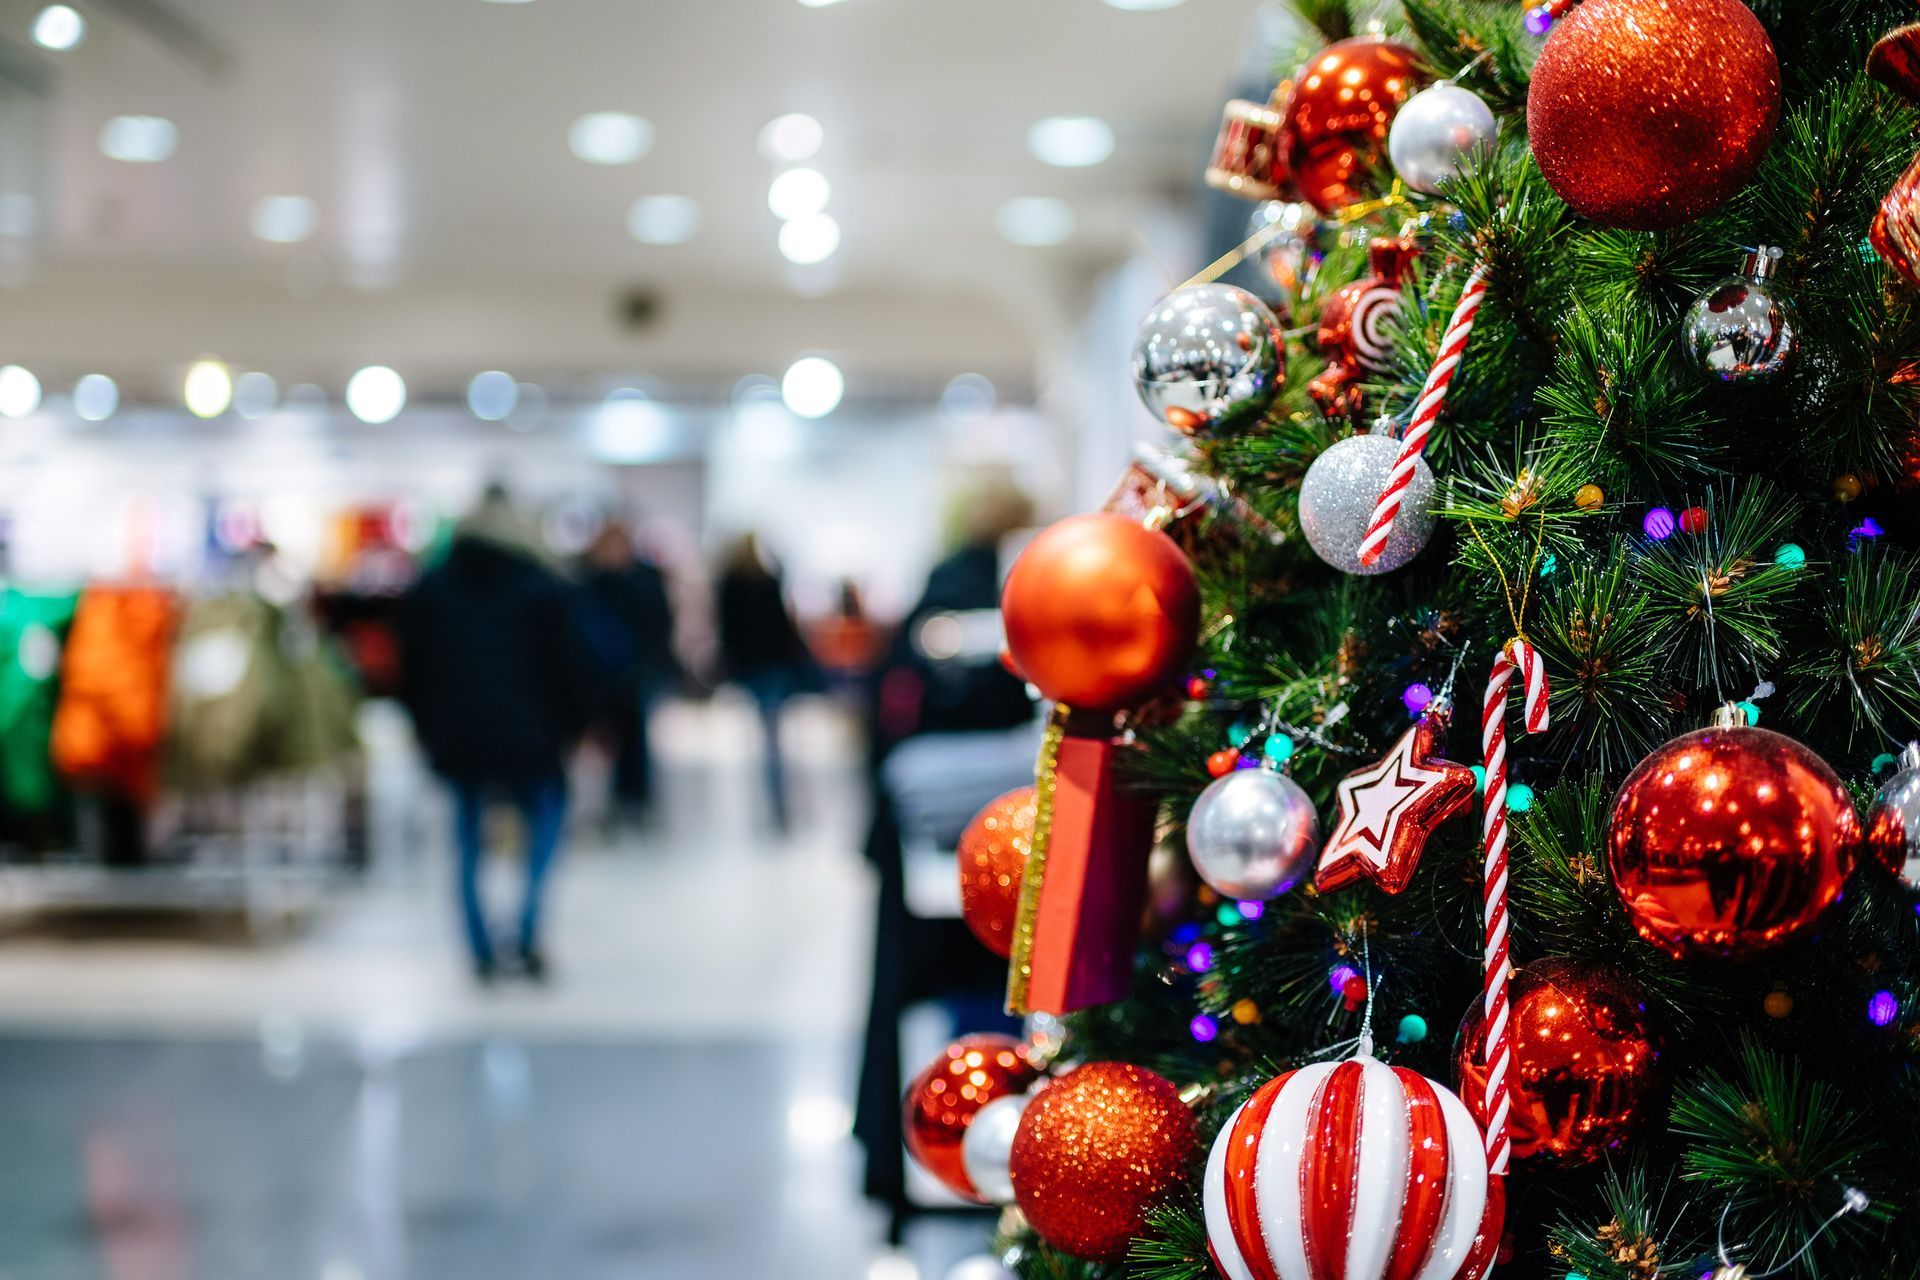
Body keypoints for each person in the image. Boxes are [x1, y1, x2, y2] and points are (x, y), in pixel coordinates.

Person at [400, 484, 592, 982]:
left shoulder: (435, 586)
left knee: (466, 841)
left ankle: (480, 948)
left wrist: (422, 726)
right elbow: (566, 667)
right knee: (543, 832)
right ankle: (527, 934)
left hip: (459, 731)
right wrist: (577, 726)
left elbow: (414, 668)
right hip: (533, 732)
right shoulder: (543, 586)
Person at [578, 518, 678, 824]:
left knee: (639, 739)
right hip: (603, 675)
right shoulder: (592, 580)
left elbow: (659, 624)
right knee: (610, 739)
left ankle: (638, 798)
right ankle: (617, 798)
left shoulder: (644, 579)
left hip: (640, 672)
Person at [714, 533, 810, 832]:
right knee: (774, 737)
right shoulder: (767, 581)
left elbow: (729, 630)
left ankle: (776, 802)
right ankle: (779, 803)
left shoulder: (731, 583)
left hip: (755, 668)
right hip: (774, 666)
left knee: (768, 737)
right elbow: (782, 626)